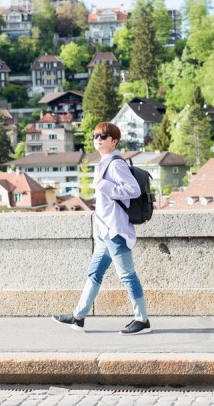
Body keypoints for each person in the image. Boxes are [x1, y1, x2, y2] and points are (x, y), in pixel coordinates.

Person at [52, 122, 151, 335]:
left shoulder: (116, 164)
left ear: (114, 141)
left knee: (127, 275)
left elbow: (133, 190)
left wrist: (104, 186)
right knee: (94, 273)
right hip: (104, 232)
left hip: (116, 231)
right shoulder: (103, 163)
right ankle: (78, 316)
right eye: (96, 135)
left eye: (103, 136)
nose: (98, 138)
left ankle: (142, 319)